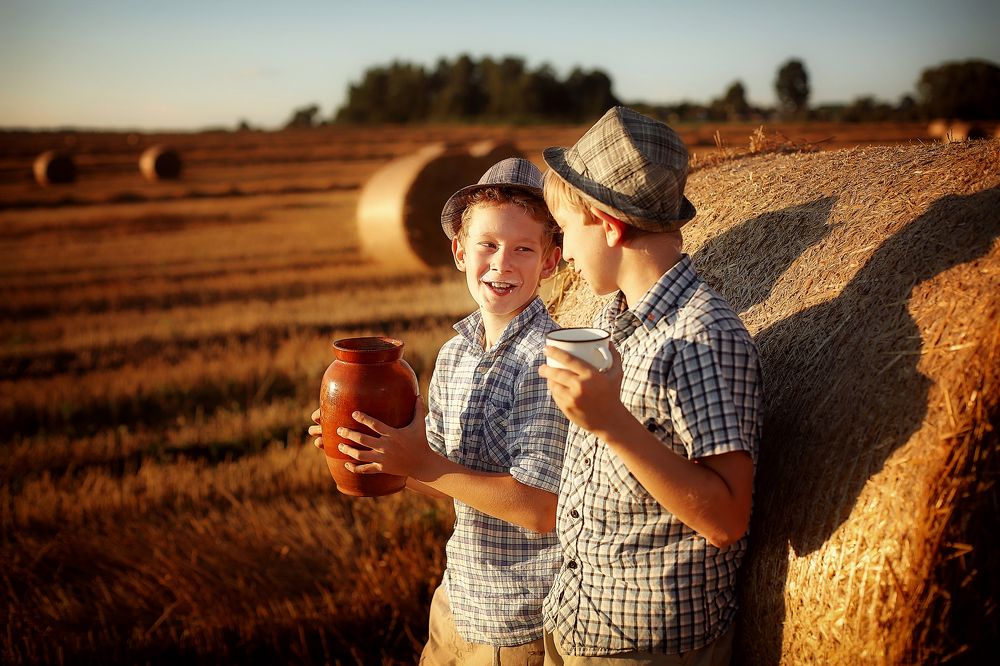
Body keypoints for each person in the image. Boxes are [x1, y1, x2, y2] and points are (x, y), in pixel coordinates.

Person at [309, 158, 569, 665]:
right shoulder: (456, 353)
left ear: (551, 262)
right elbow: (447, 477)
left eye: (523, 249)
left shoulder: (549, 359)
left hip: (514, 623)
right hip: (454, 602)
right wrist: (380, 455)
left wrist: (420, 462)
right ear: (458, 251)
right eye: (487, 245)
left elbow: (542, 508)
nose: (502, 263)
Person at [536, 107, 762, 665]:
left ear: (608, 226)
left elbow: (727, 516)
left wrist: (610, 423)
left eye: (565, 232)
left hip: (647, 647)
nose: (562, 253)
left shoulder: (701, 337)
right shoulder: (618, 317)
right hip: (583, 620)